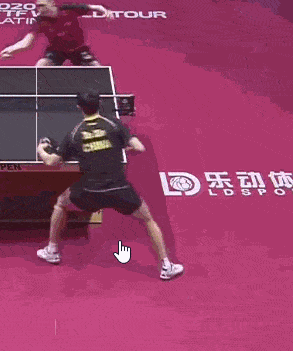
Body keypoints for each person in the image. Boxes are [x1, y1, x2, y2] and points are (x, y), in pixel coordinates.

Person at [35, 91, 184, 280]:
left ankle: (52, 251)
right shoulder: (114, 125)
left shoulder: (74, 134)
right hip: (119, 189)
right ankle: (166, 266)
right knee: (148, 219)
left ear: (79, 107)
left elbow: (51, 162)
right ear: (99, 104)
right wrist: (121, 147)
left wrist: (41, 150)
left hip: (89, 191)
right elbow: (139, 148)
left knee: (61, 203)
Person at [0, 0, 115, 67]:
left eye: (42, 5)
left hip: (78, 49)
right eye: (38, 6)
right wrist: (10, 50)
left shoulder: (68, 9)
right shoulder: (40, 20)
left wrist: (106, 11)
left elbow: (95, 7)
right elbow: (27, 43)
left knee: (97, 69)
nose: (39, 8)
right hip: (56, 51)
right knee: (41, 65)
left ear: (52, 4)